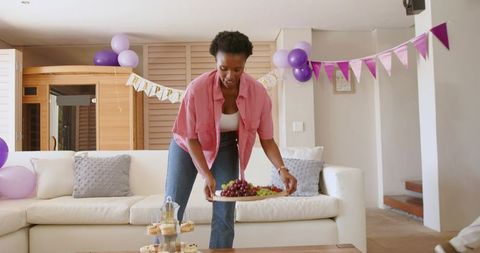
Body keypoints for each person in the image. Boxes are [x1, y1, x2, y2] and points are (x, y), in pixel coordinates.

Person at [165, 31, 297, 249]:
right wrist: (206, 175)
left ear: (245, 64)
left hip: (226, 146)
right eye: (223, 68)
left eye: (237, 69)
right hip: (187, 147)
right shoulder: (196, 89)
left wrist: (282, 168)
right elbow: (190, 138)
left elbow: (267, 139)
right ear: (215, 62)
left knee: (225, 210)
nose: (230, 75)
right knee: (172, 208)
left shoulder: (258, 93)